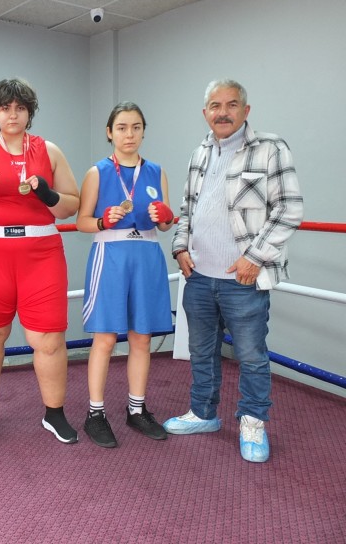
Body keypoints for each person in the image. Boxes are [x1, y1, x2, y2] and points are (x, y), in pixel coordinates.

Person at [164, 79, 303, 463]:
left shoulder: (271, 148)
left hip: (244, 278)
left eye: (231, 104)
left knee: (251, 355)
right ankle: (203, 414)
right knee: (201, 351)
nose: (222, 112)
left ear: (246, 110)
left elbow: (289, 209)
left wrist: (255, 257)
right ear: (205, 112)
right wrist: (179, 247)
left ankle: (253, 422)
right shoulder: (200, 153)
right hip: (199, 277)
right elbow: (188, 209)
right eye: (215, 105)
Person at [0, 78, 80, 444]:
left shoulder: (48, 150)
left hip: (40, 254)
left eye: (20, 108)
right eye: (6, 108)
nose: (13, 114)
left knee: (49, 336)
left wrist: (49, 195)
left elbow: (71, 205)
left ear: (29, 112)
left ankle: (54, 413)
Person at [75, 102, 174, 448]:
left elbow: (164, 224)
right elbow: (82, 222)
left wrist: (166, 217)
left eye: (135, 127)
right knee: (104, 338)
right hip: (111, 255)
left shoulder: (157, 171)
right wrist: (103, 221)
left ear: (143, 131)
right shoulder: (98, 172)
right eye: (121, 127)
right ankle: (95, 413)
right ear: (109, 132)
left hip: (147, 254)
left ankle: (136, 409)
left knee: (141, 338)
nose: (129, 134)